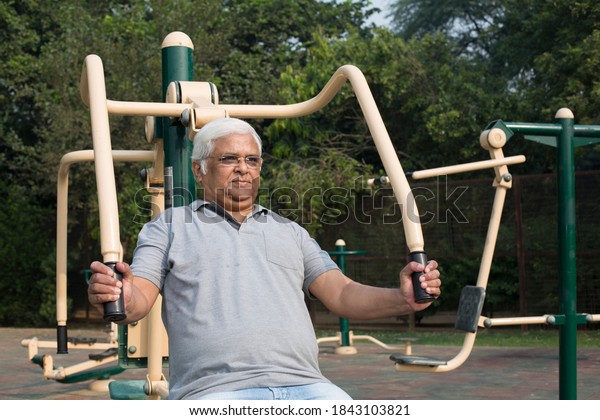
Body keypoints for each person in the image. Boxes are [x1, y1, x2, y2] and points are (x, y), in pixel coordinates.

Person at [88, 117, 442, 400]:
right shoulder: (167, 227)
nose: (243, 169)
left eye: (251, 160)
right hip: (215, 394)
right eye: (229, 159)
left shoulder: (289, 230)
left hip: (308, 388)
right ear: (199, 171)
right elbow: (136, 302)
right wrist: (115, 293)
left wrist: (403, 299)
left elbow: (343, 294)